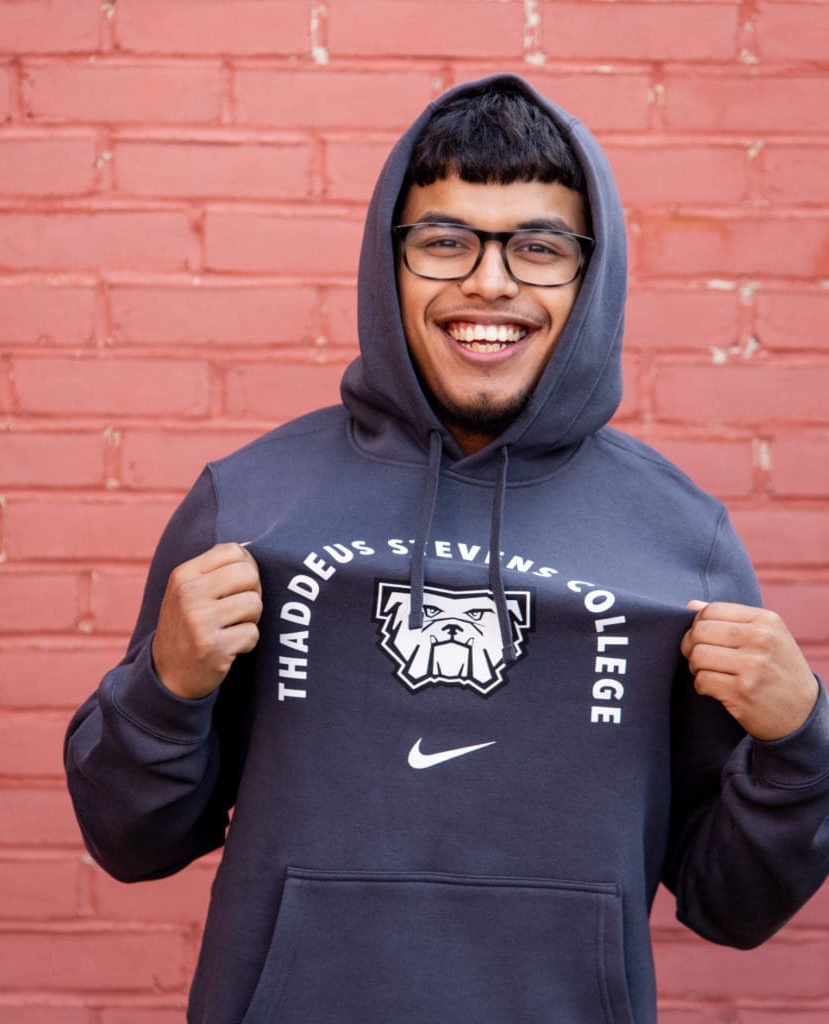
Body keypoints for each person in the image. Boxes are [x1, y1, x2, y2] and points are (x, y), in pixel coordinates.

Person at [65, 74, 829, 1023]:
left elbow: (733, 906)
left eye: (539, 247)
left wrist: (800, 744)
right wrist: (162, 692)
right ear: (389, 264)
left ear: (590, 277)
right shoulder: (251, 503)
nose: (490, 281)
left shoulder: (681, 539)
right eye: (444, 241)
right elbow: (130, 841)